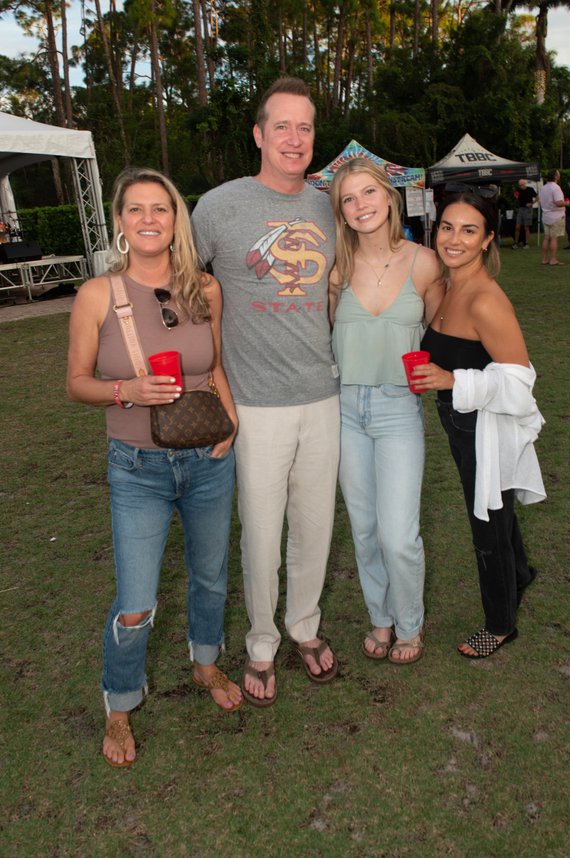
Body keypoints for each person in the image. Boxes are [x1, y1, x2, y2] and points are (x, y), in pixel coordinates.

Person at [67, 167, 241, 767]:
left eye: (160, 209)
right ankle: (119, 704)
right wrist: (127, 392)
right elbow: (76, 383)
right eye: (135, 209)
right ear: (119, 221)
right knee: (137, 599)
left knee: (211, 576)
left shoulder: (205, 288)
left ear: (175, 220)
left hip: (209, 458)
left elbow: (214, 365)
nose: (148, 219)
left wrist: (232, 418)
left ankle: (206, 663)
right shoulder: (97, 295)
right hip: (136, 465)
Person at [191, 77, 340, 707]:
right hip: (253, 403)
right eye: (282, 126)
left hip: (323, 394)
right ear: (258, 134)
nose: (294, 138)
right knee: (260, 534)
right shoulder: (219, 207)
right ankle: (260, 642)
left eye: (305, 127)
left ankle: (303, 627)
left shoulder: (329, 207)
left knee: (315, 525)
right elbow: (176, 284)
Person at [413, 188, 546, 659]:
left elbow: (519, 383)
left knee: (485, 517)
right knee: (497, 504)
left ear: (488, 239)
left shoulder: (486, 300)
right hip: (458, 422)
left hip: (484, 427)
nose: (455, 239)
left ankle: (500, 623)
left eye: (469, 230)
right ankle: (521, 575)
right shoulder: (447, 286)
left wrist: (452, 379)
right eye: (447, 227)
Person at [328, 158, 443, 664]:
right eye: (349, 199)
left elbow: (444, 335)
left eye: (368, 193)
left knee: (399, 534)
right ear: (341, 211)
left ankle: (411, 623)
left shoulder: (424, 262)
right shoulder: (335, 267)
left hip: (399, 409)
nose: (361, 206)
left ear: (390, 197)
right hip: (345, 408)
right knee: (365, 527)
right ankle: (381, 617)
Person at [538, 169, 567, 266]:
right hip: (556, 216)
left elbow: (540, 201)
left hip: (546, 215)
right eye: (558, 173)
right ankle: (553, 259)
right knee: (554, 238)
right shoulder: (556, 188)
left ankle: (545, 258)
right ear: (555, 176)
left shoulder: (544, 187)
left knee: (546, 238)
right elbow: (558, 203)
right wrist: (566, 203)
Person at [512, 179, 537, 249]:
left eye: (522, 185)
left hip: (528, 210)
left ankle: (526, 243)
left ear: (525, 184)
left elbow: (537, 197)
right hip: (521, 209)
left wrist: (531, 204)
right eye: (520, 185)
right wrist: (515, 197)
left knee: (526, 227)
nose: (521, 186)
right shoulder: (518, 190)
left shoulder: (530, 189)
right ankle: (516, 243)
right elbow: (516, 198)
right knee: (517, 227)